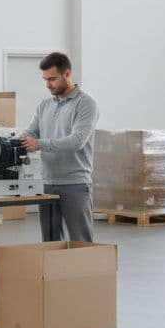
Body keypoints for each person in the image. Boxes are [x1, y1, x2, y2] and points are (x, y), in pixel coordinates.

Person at [17, 52, 99, 243]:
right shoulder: (44, 105)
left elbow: (77, 140)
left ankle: (84, 265)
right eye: (45, 79)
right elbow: (31, 132)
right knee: (50, 243)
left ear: (67, 74)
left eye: (52, 79)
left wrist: (40, 144)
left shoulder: (86, 104)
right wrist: (8, 142)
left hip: (75, 184)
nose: (48, 84)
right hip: (47, 184)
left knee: (81, 242)